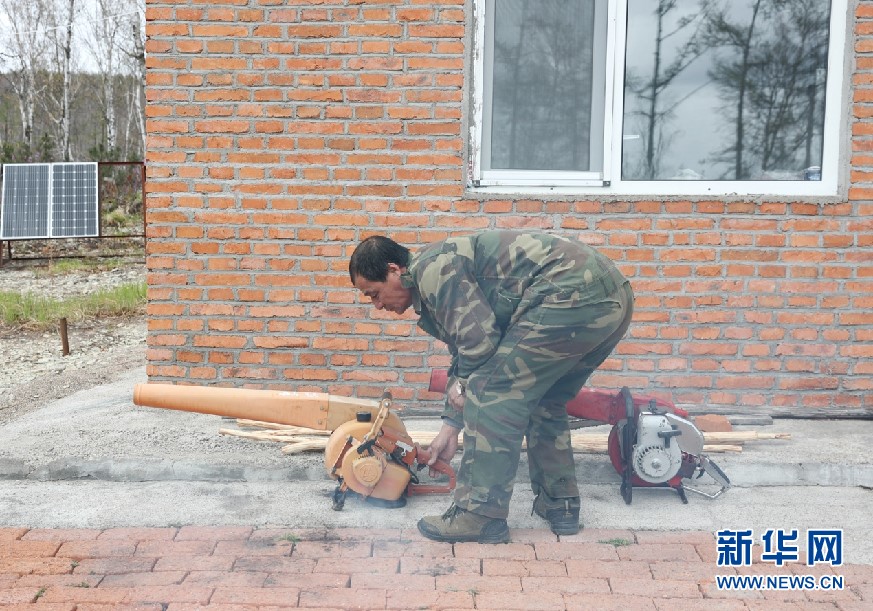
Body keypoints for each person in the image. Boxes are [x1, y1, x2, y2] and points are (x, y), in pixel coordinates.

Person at [348, 230, 634, 544]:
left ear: (394, 270)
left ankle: (479, 514)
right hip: (611, 295)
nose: (377, 305)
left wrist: (467, 388)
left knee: (490, 391)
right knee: (544, 398)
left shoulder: (433, 271)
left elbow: (479, 344)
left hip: (570, 292)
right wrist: (450, 428)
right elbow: (464, 349)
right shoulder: (436, 271)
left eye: (374, 293)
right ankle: (559, 503)